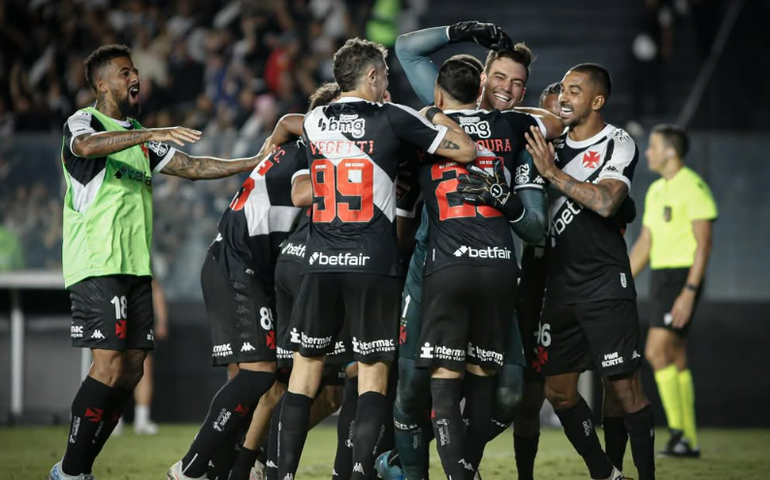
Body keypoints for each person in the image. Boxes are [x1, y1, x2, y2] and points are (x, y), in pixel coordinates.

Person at [51, 44, 268, 480]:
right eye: (125, 72)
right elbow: (88, 146)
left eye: (136, 72)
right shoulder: (87, 121)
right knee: (108, 366)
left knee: (130, 370)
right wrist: (151, 133)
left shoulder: (138, 137)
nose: (135, 78)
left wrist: (253, 161)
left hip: (134, 269)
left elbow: (194, 166)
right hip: (97, 262)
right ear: (101, 83)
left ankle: (79, 469)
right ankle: (70, 471)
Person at [276, 37, 476, 480]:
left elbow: (303, 185)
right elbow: (466, 150)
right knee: (371, 376)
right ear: (371, 76)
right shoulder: (393, 117)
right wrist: (433, 119)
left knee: (303, 377)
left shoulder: (313, 121)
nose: (388, 82)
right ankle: (362, 471)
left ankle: (281, 475)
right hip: (373, 263)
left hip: (319, 261)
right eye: (385, 74)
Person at [376, 22, 560, 480]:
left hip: (492, 267)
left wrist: (508, 197)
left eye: (519, 83)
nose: (509, 89)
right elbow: (406, 48)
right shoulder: (436, 115)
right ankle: (409, 463)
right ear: (481, 78)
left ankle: (457, 459)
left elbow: (536, 228)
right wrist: (461, 31)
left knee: (510, 395)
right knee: (417, 387)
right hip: (431, 264)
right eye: (500, 78)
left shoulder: (521, 129)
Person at [167, 85, 323, 480]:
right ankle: (190, 469)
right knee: (258, 374)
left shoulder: (294, 144)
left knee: (245, 379)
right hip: (238, 265)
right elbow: (302, 191)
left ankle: (221, 469)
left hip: (235, 262)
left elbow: (288, 121)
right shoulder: (308, 155)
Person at [524, 63, 655, 480]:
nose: (564, 97)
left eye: (575, 91)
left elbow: (605, 203)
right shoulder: (549, 145)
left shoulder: (617, 142)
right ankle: (606, 473)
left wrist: (552, 175)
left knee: (622, 389)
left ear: (597, 101)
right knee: (559, 392)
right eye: (562, 88)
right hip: (558, 288)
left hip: (604, 282)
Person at [629, 124, 716, 458]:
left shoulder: (693, 187)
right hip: (663, 279)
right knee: (675, 356)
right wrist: (619, 280)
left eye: (652, 146)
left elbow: (704, 244)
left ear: (670, 152)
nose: (648, 152)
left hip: (682, 279)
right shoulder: (656, 191)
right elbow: (645, 245)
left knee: (655, 352)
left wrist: (689, 291)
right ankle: (687, 440)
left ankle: (679, 434)